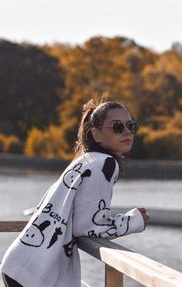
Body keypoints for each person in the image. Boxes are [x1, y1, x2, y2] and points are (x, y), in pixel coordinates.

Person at [1, 99, 149, 287]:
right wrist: (133, 221)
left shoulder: (85, 160)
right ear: (96, 134)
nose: (127, 131)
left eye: (131, 125)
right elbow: (87, 226)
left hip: (20, 266)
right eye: (118, 127)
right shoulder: (105, 164)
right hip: (34, 275)